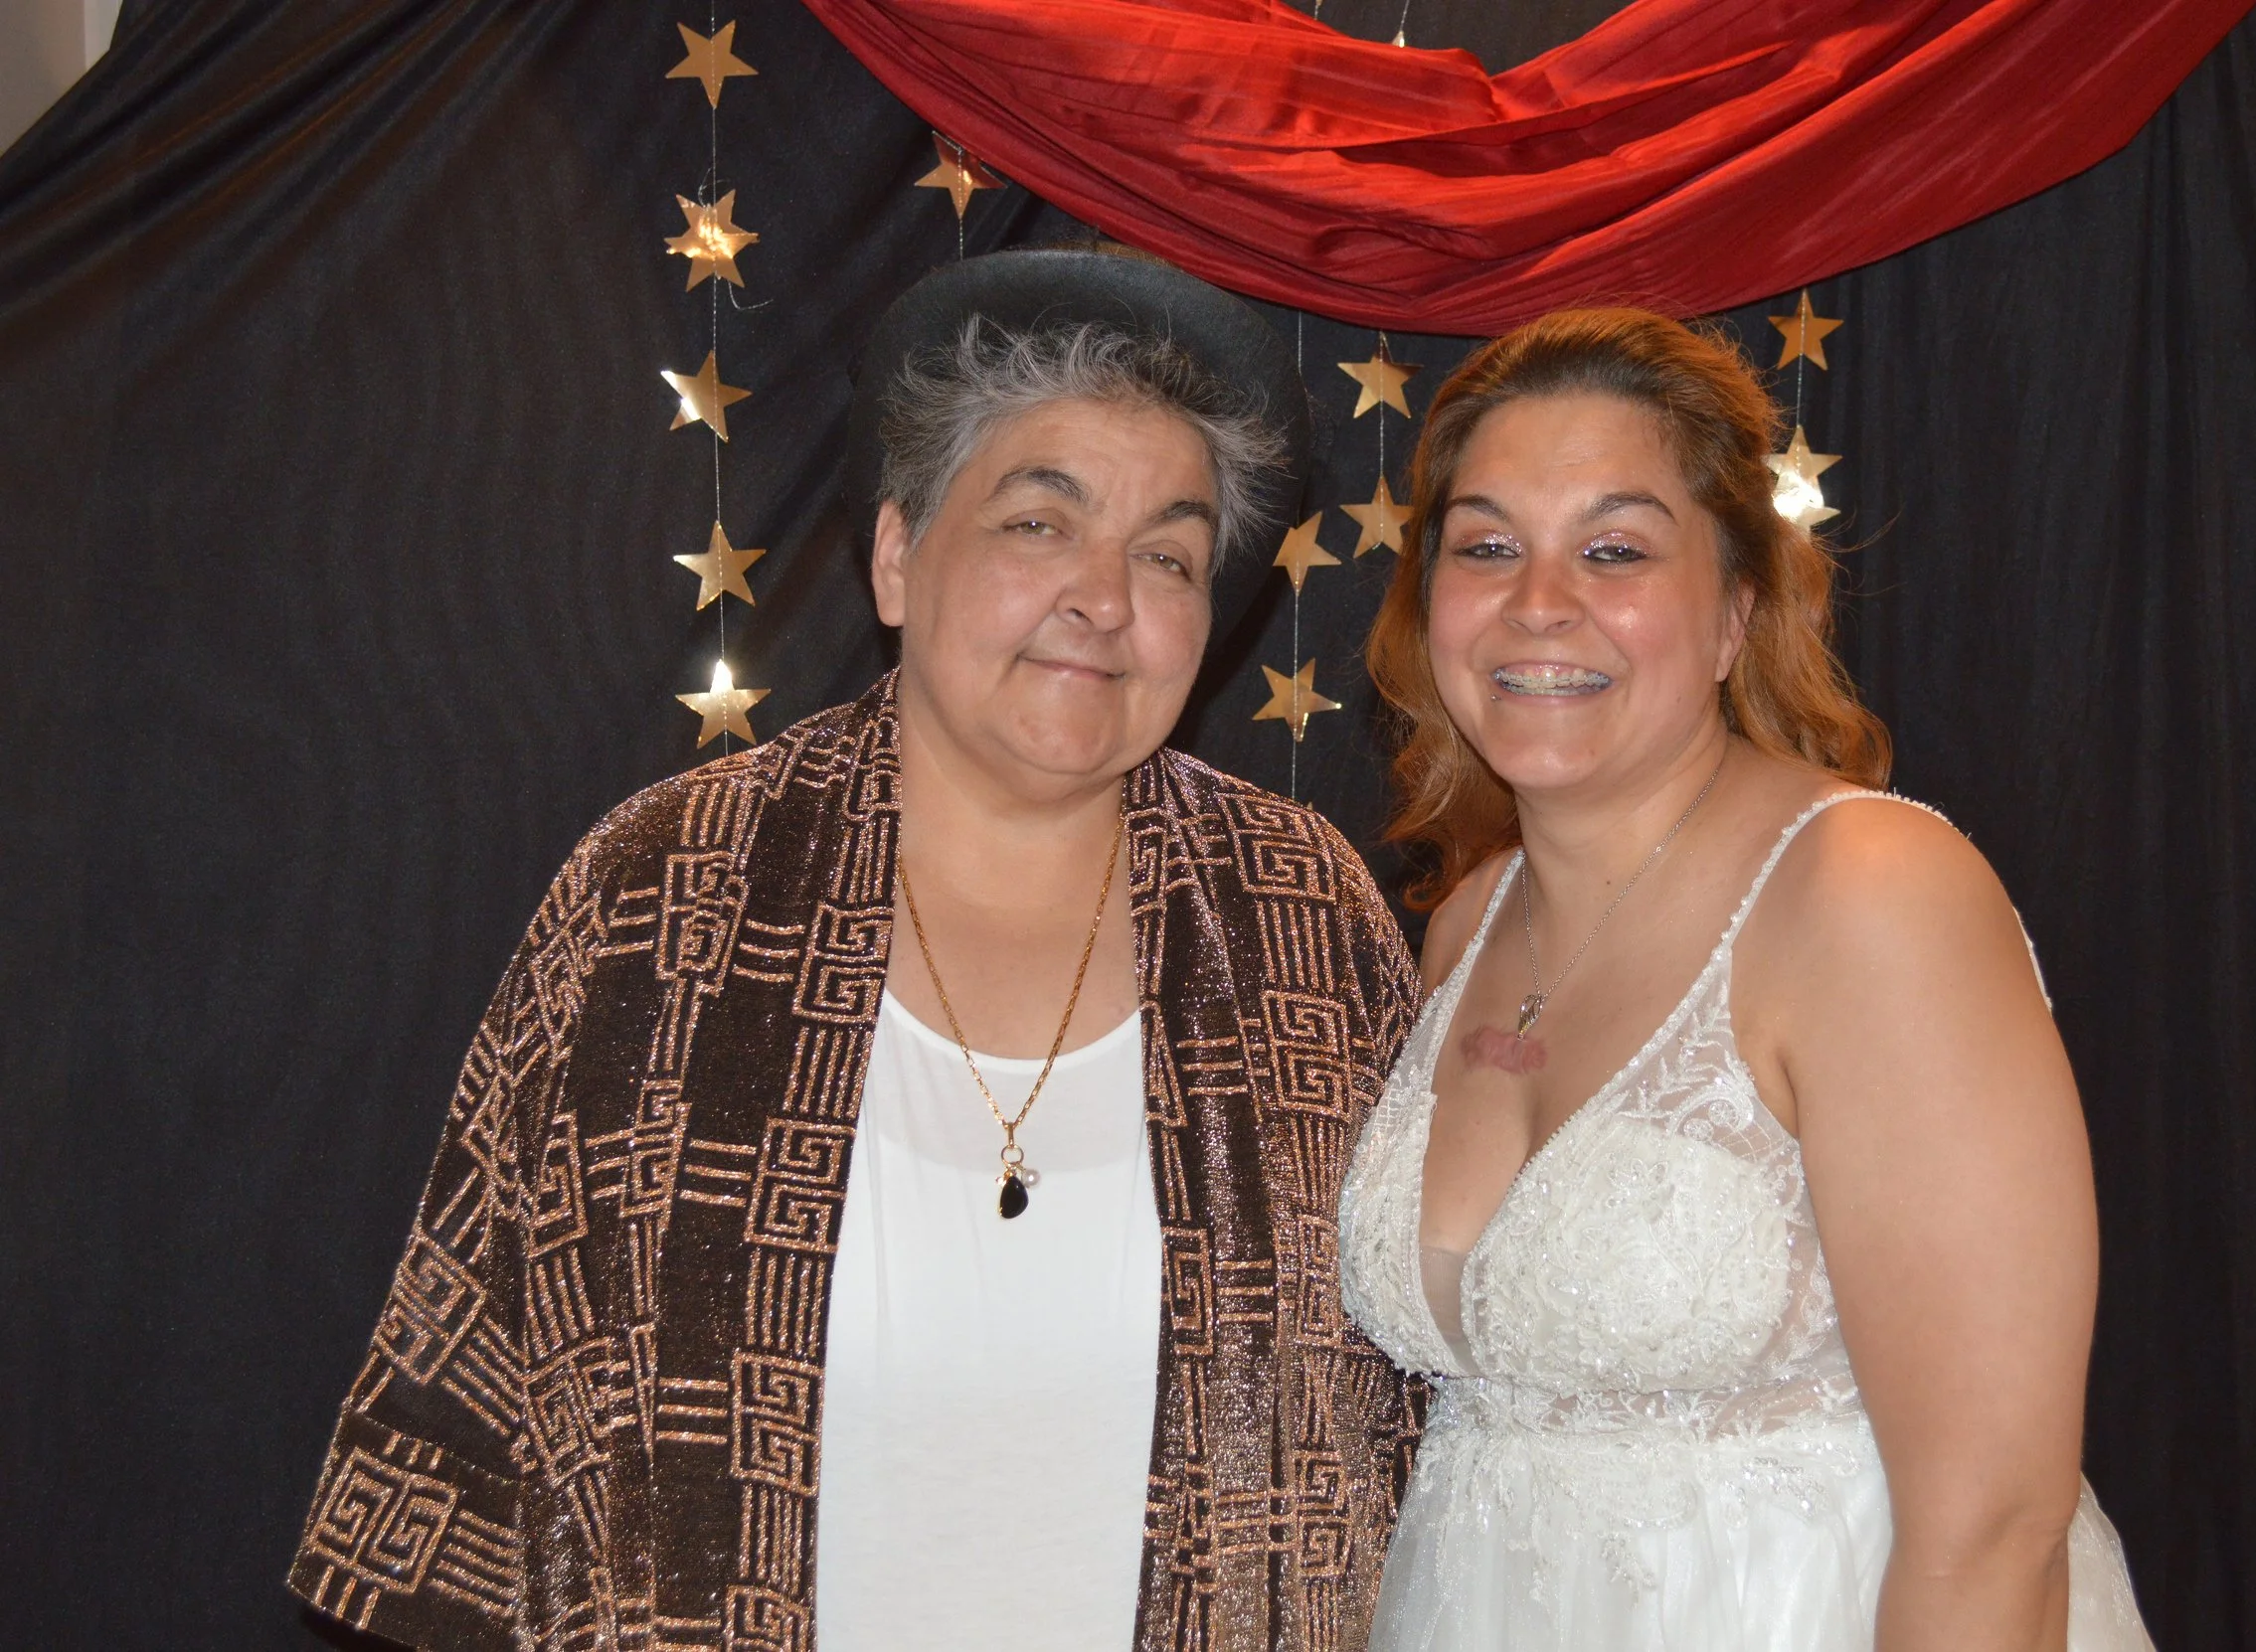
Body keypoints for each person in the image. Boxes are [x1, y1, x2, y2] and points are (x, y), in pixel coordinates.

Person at [290, 248, 1422, 1652]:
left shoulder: (1302, 919)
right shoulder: (667, 899)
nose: (1103, 598)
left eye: (1169, 555)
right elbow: (465, 1431)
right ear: (897, 555)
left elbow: (1421, 1422)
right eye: (1037, 523)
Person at [1338, 308, 2153, 1651]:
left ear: (1734, 610)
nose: (1540, 602)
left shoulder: (1869, 896)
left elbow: (1993, 1523)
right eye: (1486, 546)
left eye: (1615, 549)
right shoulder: (1467, 923)